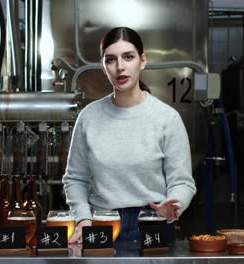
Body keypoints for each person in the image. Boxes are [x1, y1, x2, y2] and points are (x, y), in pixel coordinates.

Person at [62, 27, 196, 244]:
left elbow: (182, 182)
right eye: (111, 60)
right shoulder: (89, 117)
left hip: (153, 221)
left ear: (142, 61)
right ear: (104, 67)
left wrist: (172, 205)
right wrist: (83, 218)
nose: (120, 67)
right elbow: (75, 178)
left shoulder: (167, 118)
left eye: (128, 57)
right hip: (102, 223)